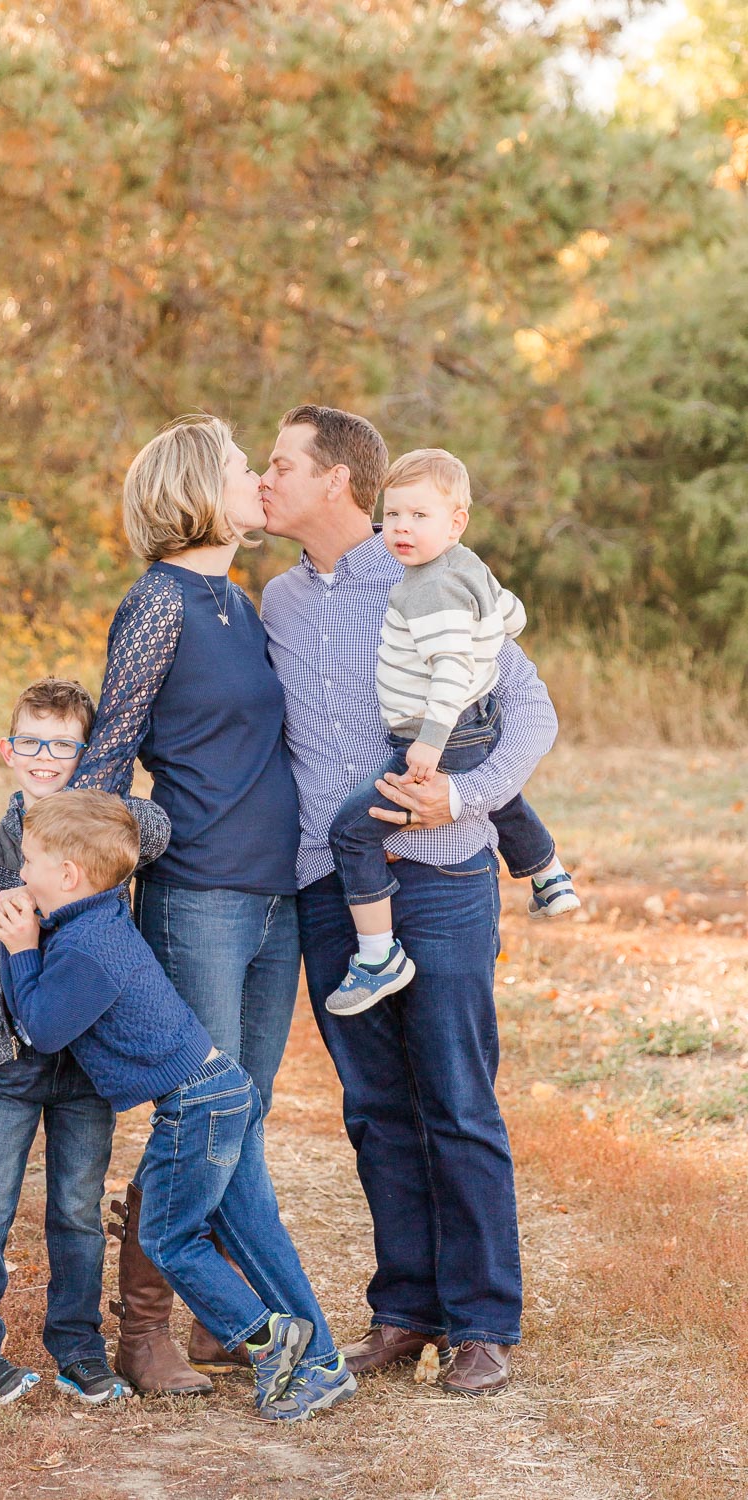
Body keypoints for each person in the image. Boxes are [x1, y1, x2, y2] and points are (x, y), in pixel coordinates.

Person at [261, 406, 559, 1397]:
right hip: (326, 881)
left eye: (280, 464)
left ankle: (480, 1324)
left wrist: (465, 795)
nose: (266, 480)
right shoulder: (276, 603)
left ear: (334, 481)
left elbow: (527, 708)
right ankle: (404, 1311)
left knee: (456, 1097)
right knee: (375, 1106)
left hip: (441, 875)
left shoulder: (431, 576)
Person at [0, 789, 357, 1424]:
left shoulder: (85, 947)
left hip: (196, 1106)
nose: (21, 872)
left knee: (165, 1235)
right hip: (218, 1090)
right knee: (252, 1228)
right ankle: (322, 1364)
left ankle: (268, 1340)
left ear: (68, 875)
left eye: (30, 862)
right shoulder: (95, 920)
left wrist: (21, 948)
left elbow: (43, 1029)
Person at [67, 415, 302, 1395]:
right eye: (245, 469)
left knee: (242, 1113)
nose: (258, 481)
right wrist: (101, 877)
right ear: (200, 490)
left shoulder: (240, 603)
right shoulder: (157, 602)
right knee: (199, 1112)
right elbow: (106, 755)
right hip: (198, 896)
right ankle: (145, 1328)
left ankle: (220, 1318)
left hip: (275, 896)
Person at [0, 677, 170, 1406]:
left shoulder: (108, 831)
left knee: (75, 1205)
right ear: (9, 750)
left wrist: (94, 788)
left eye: (64, 745)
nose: (46, 757)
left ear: (88, 752)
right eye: (32, 742)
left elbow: (158, 827)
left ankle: (78, 1348)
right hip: (12, 1061)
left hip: (86, 1065)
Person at [325, 446, 578, 1017]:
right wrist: (491, 633)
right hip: (472, 724)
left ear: (456, 522)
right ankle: (547, 873)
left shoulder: (425, 589)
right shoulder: (467, 566)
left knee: (349, 829)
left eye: (419, 516)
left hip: (437, 730)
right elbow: (510, 613)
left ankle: (376, 954)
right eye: (393, 515)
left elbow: (450, 673)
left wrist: (430, 741)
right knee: (496, 795)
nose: (401, 528)